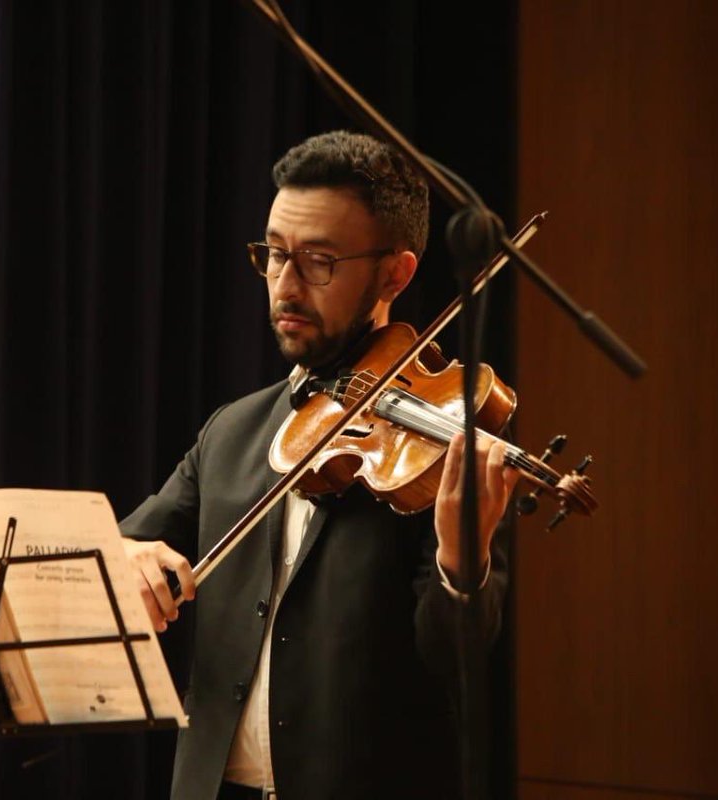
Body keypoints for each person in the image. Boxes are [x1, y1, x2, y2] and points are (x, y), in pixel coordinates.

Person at [120, 130, 518, 800]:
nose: (285, 285)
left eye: (319, 262)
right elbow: (124, 544)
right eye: (273, 255)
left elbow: (457, 665)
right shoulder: (232, 432)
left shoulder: (449, 436)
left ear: (396, 272)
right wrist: (123, 555)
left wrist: (460, 561)